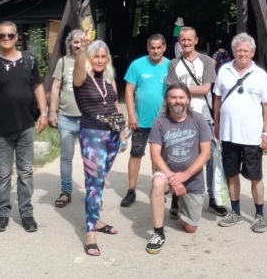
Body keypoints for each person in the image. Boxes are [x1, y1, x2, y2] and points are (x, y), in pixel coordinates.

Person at [0, 21, 48, 233]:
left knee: (26, 172)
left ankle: (26, 214)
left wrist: (43, 113)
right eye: (2, 36)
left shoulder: (29, 61)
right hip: (1, 130)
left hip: (25, 126)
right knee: (2, 174)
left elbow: (38, 87)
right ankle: (2, 214)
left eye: (10, 35)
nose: (6, 38)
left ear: (17, 37)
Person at [213, 32, 267, 233]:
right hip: (229, 134)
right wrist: (216, 123)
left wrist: (266, 133)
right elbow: (217, 99)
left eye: (245, 50)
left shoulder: (261, 75)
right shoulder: (224, 70)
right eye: (238, 50)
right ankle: (236, 212)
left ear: (252, 52)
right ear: (233, 52)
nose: (241, 54)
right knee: (232, 175)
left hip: (252, 136)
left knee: (255, 176)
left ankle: (259, 216)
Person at [166, 26, 227, 216]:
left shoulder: (207, 61)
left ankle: (213, 199)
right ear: (179, 42)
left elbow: (206, 89)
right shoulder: (174, 63)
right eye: (182, 40)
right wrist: (191, 88)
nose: (186, 43)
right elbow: (172, 91)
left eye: (189, 39)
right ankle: (176, 199)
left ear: (196, 40)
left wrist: (182, 89)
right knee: (179, 156)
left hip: (203, 115)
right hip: (178, 115)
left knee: (210, 157)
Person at [145, 83, 213, 254]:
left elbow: (206, 154)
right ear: (167, 100)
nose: (177, 101)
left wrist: (186, 175)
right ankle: (158, 233)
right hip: (168, 174)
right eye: (173, 97)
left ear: (188, 100)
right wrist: (173, 179)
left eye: (181, 97)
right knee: (158, 183)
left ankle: (177, 201)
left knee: (190, 228)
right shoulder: (159, 122)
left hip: (192, 176)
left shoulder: (198, 120)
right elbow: (155, 156)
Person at [73, 35, 123, 256]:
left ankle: (96, 218)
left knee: (100, 178)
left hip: (112, 134)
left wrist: (121, 129)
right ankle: (90, 231)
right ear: (89, 58)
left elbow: (113, 103)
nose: (100, 60)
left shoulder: (110, 78)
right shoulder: (82, 77)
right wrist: (83, 49)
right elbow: (78, 70)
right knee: (93, 181)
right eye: (96, 56)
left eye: (103, 56)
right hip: (92, 133)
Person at [121, 34, 170, 207]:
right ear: (148, 48)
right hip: (141, 120)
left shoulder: (170, 65)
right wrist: (131, 115)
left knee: (158, 157)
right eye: (152, 47)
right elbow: (128, 91)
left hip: (163, 121)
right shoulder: (137, 65)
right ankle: (131, 190)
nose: (155, 51)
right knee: (136, 155)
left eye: (159, 47)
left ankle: (157, 190)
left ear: (164, 47)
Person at [47, 29, 84, 208]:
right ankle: (66, 191)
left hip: (87, 119)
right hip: (66, 118)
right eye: (76, 42)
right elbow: (55, 86)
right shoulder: (63, 62)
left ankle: (91, 193)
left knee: (89, 158)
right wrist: (52, 112)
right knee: (66, 156)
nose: (78, 45)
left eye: (82, 42)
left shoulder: (92, 62)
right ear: (70, 44)